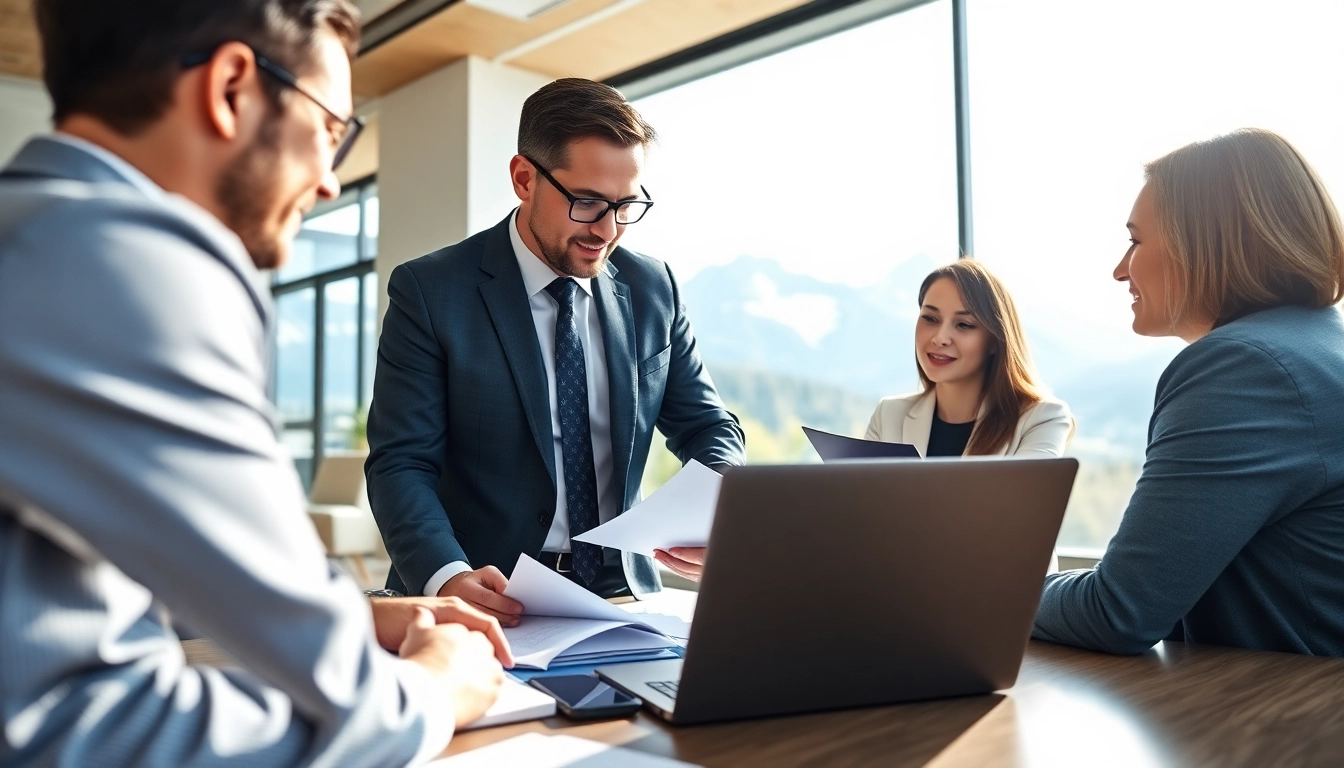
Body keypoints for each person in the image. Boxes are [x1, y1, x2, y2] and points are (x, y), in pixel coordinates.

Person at [0, 2, 512, 765]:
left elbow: (51, 596)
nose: (332, 181)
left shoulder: (29, 226)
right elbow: (72, 724)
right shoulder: (124, 252)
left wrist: (342, 617)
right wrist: (436, 688)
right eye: (332, 130)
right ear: (232, 86)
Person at [365, 78, 745, 618]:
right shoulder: (431, 291)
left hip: (624, 593)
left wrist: (713, 506)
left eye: (625, 205)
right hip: (485, 596)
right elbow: (400, 462)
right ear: (524, 179)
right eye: (587, 202)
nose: (608, 230)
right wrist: (448, 576)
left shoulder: (652, 287)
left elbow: (710, 427)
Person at [1033, 128, 1344, 656]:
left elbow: (1119, 611)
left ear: (1205, 241)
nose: (1119, 270)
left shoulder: (1244, 369)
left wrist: (974, 589)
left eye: (1134, 241)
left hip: (1289, 725)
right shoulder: (1316, 345)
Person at [865, 260, 1073, 458]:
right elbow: (863, 495)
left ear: (995, 340)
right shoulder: (889, 415)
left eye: (964, 324)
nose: (940, 338)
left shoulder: (1042, 419)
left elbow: (1024, 495)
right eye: (930, 318)